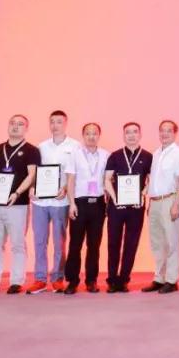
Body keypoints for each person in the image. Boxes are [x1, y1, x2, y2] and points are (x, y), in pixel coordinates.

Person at [0, 114, 40, 294]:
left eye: (20, 124)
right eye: (12, 123)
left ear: (26, 128)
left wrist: (17, 192)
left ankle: (16, 281)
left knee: (18, 244)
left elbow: (32, 175)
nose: (15, 126)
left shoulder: (31, 150)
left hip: (17, 204)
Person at [28, 110, 79, 295]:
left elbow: (75, 174)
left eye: (59, 122)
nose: (55, 125)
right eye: (52, 122)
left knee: (59, 242)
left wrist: (65, 188)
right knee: (39, 241)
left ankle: (57, 278)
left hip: (61, 201)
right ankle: (40, 279)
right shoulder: (41, 146)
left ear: (65, 123)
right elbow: (35, 172)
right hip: (40, 202)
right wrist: (32, 187)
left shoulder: (75, 146)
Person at [103, 122, 152, 293]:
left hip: (136, 207)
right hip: (116, 206)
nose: (131, 135)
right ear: (123, 135)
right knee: (113, 242)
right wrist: (114, 198)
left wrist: (143, 193)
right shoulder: (115, 156)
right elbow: (107, 179)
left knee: (131, 243)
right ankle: (112, 280)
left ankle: (123, 280)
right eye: (128, 132)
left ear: (140, 134)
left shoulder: (148, 156)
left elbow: (151, 179)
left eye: (135, 132)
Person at [142, 119, 179, 294]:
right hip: (154, 202)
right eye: (162, 130)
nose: (165, 133)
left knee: (171, 241)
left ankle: (171, 280)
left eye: (169, 130)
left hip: (170, 201)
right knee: (157, 242)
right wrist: (150, 202)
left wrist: (176, 204)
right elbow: (153, 180)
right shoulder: (156, 153)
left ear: (175, 133)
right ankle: (159, 278)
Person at [62, 123, 108, 294]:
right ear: (83, 135)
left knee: (94, 245)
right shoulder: (74, 154)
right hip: (79, 203)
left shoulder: (105, 155)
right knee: (75, 244)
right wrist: (71, 203)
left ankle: (91, 280)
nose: (91, 136)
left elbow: (108, 180)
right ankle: (72, 281)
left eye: (94, 133)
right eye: (88, 133)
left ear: (99, 135)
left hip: (98, 204)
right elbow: (70, 180)